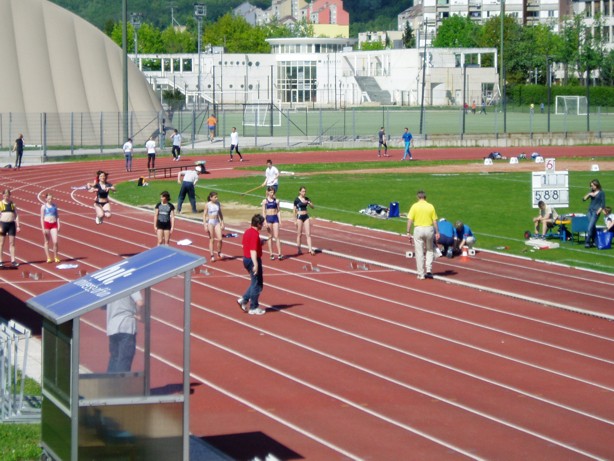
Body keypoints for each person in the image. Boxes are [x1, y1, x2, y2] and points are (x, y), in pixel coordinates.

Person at [106, 291, 144, 373]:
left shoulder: (113, 287)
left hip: (112, 326)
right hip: (126, 326)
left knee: (114, 358)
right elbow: (140, 302)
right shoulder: (132, 285)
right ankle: (120, 384)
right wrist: (139, 314)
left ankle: (109, 384)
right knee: (124, 359)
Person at [237, 214, 266, 316]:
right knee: (256, 285)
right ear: (258, 224)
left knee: (256, 283)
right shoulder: (254, 234)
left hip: (246, 258)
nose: (262, 225)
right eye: (261, 224)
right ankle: (253, 307)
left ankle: (244, 299)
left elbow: (247, 244)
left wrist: (260, 243)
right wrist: (256, 264)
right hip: (252, 259)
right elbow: (253, 250)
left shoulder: (248, 231)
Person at [406, 190, 439, 280]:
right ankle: (429, 270)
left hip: (418, 229)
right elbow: (434, 221)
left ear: (418, 197)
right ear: (425, 197)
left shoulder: (414, 206)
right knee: (429, 250)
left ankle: (421, 273)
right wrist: (437, 232)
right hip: (429, 229)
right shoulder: (430, 206)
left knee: (419, 252)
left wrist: (408, 232)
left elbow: (409, 220)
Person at [582, 179, 606, 248]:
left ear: (596, 185)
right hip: (590, 212)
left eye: (592, 185)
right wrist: (589, 194)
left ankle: (587, 242)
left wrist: (599, 211)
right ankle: (595, 241)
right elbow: (583, 199)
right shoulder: (591, 192)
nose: (591, 187)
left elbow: (603, 204)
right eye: (591, 186)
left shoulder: (601, 193)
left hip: (595, 212)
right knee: (592, 227)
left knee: (590, 227)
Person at [262, 186, 283, 260]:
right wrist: (265, 221)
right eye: (271, 192)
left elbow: (278, 211)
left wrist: (280, 220)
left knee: (277, 236)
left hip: (275, 218)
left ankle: (280, 253)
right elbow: (264, 212)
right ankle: (271, 254)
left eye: (273, 192)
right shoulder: (265, 201)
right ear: (268, 192)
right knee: (270, 236)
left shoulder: (276, 201)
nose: (272, 193)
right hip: (269, 218)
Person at [0, 189, 20, 268]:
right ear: (3, 195)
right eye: (5, 195)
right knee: (1, 243)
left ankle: (13, 260)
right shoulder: (0, 204)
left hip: (11, 225)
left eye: (8, 195)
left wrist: (18, 225)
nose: (6, 197)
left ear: (9, 196)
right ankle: (0, 261)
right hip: (2, 225)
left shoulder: (13, 204)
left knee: (12, 243)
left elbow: (16, 215)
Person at [293, 186, 315, 255]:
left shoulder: (307, 199)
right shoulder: (296, 200)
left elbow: (312, 207)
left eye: (305, 191)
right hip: (299, 217)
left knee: (308, 234)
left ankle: (310, 249)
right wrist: (295, 220)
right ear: (299, 192)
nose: (304, 193)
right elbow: (294, 210)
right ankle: (299, 249)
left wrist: (309, 203)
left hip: (306, 216)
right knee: (299, 234)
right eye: (302, 191)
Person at [204, 191, 224, 261]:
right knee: (212, 239)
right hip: (210, 222)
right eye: (215, 197)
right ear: (211, 198)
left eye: (217, 197)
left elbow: (220, 213)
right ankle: (212, 255)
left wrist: (222, 222)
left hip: (217, 221)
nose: (217, 198)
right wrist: (205, 225)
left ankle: (219, 252)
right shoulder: (207, 205)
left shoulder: (218, 203)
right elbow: (204, 215)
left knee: (220, 239)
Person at [41, 193, 61, 263]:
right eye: (48, 199)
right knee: (46, 241)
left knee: (55, 242)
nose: (50, 200)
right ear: (46, 199)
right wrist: (43, 228)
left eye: (51, 198)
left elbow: (57, 216)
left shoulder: (55, 206)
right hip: (47, 224)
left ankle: (56, 256)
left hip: (54, 224)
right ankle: (48, 257)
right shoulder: (43, 207)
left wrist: (59, 224)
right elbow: (41, 218)